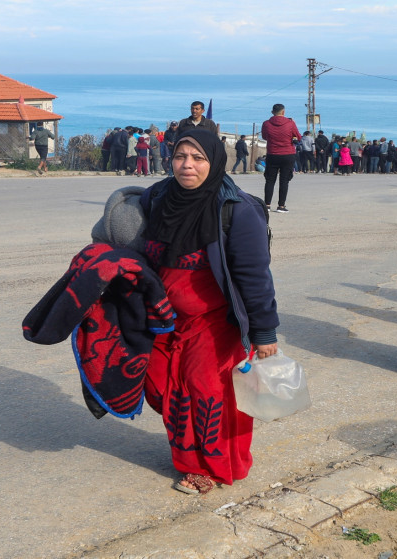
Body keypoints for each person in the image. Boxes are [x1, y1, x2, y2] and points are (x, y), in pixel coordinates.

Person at [138, 129, 279, 495]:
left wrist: (264, 334)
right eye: (181, 157)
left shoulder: (237, 210)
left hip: (214, 321)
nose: (188, 165)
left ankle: (205, 466)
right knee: (160, 386)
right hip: (163, 317)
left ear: (214, 161)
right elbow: (131, 248)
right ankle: (190, 451)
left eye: (198, 158)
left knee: (205, 392)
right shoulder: (156, 197)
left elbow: (254, 277)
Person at [261, 103, 301, 213]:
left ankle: (267, 205)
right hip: (288, 155)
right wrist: (293, 124)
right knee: (284, 181)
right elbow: (298, 136)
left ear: (272, 112)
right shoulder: (290, 123)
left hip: (272, 154)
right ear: (283, 112)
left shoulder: (266, 124)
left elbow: (264, 136)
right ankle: (281, 206)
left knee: (270, 180)